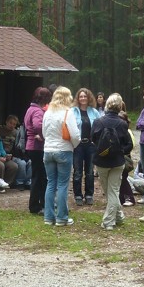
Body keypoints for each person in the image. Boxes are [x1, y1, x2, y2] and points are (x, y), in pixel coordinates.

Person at [90, 93, 133, 230]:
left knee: (110, 191)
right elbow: (129, 145)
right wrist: (119, 151)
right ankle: (119, 216)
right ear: (120, 106)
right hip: (117, 162)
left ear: (107, 105)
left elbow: (92, 139)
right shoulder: (123, 124)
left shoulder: (98, 122)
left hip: (101, 161)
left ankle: (109, 222)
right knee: (113, 191)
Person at [42, 86, 81, 225]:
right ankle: (62, 217)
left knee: (50, 183)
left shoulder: (47, 112)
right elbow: (75, 135)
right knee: (62, 184)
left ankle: (48, 217)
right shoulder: (68, 113)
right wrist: (74, 145)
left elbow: (44, 133)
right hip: (63, 150)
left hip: (48, 150)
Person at [25, 87, 52, 214]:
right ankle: (36, 206)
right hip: (37, 147)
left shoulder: (30, 109)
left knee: (37, 176)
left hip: (31, 146)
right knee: (40, 177)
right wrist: (44, 135)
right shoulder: (37, 111)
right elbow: (37, 125)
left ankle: (37, 204)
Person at [71, 88, 100, 205]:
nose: (83, 98)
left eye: (85, 96)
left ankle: (89, 194)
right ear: (78, 98)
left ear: (89, 98)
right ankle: (78, 195)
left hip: (90, 145)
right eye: (81, 96)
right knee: (77, 171)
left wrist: (96, 141)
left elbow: (99, 127)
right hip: (77, 145)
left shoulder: (94, 112)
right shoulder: (72, 111)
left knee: (89, 171)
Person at [0, 114, 31, 189]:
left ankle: (26, 182)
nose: (12, 125)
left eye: (14, 124)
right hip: (0, 153)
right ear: (6, 122)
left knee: (28, 162)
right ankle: (18, 182)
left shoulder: (16, 132)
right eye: (10, 123)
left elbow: (17, 146)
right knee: (21, 164)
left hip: (11, 155)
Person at [117, 110, 137, 206]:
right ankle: (121, 198)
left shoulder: (127, 132)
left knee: (123, 178)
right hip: (119, 158)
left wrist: (120, 151)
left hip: (125, 158)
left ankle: (130, 198)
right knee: (120, 179)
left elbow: (131, 145)